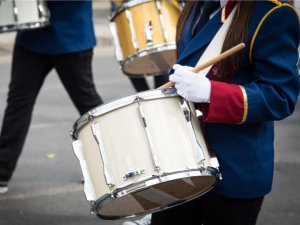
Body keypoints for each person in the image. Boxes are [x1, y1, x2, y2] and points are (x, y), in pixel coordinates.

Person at [149, 0, 300, 225]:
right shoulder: (195, 5)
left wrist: (211, 92)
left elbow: (280, 96)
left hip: (234, 166)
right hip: (182, 162)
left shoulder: (272, 14)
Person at [0, 0, 103, 194]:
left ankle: (109, 164)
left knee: (88, 106)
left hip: (71, 37)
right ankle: (2, 172)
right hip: (31, 35)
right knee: (17, 104)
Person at [109, 0, 170, 93]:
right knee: (130, 56)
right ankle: (145, 97)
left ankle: (160, 95)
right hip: (122, 5)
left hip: (147, 5)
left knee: (157, 48)